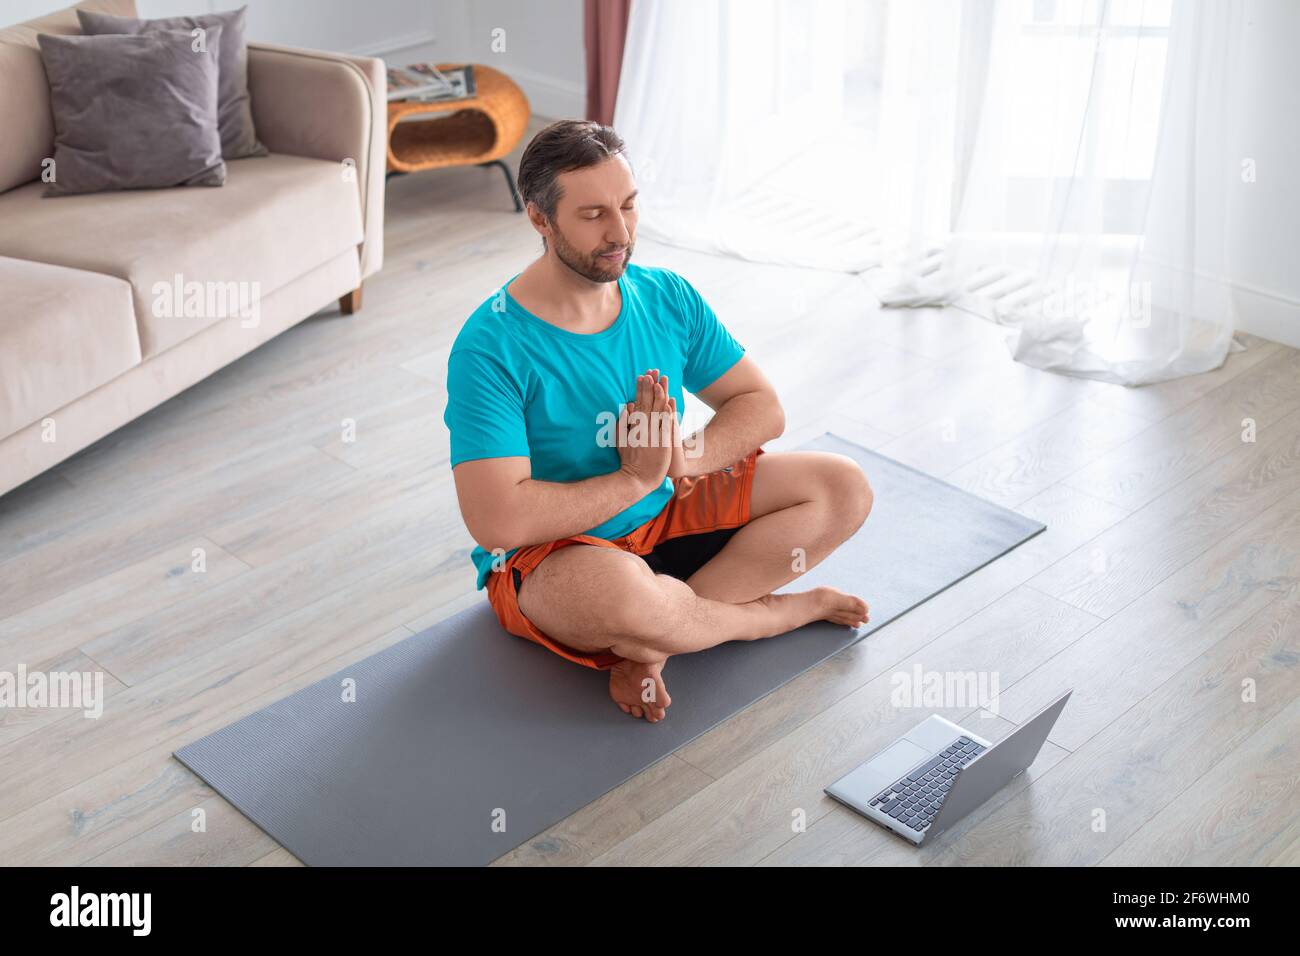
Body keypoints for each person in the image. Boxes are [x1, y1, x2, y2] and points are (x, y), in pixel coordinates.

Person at [444, 120, 873, 723]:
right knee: (622, 599)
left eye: (628, 206)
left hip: (670, 504)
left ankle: (658, 640)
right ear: (541, 219)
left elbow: (760, 406)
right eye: (593, 214)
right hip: (560, 554)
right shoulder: (489, 345)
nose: (620, 233)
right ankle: (773, 614)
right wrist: (633, 480)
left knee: (842, 485)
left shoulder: (667, 295)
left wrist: (682, 460)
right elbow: (498, 520)